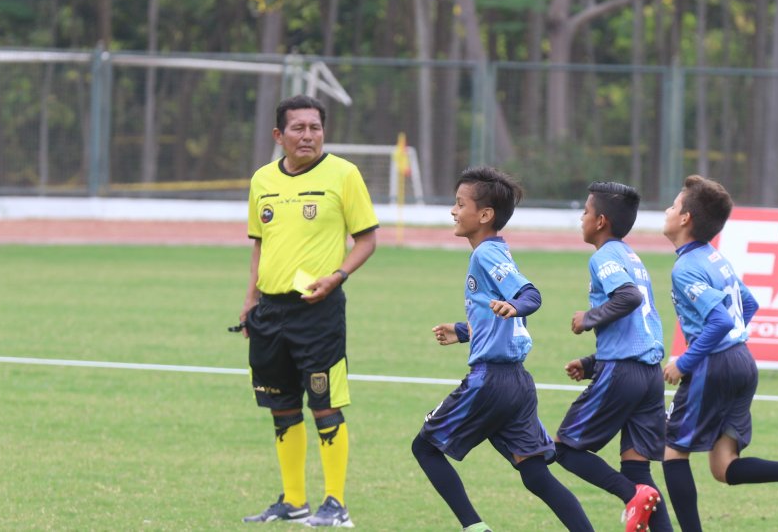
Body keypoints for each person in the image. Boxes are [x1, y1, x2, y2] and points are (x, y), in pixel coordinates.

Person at [412, 166, 594, 532]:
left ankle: (474, 528)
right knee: (535, 474)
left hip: (490, 381)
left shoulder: (486, 255)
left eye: (460, 204)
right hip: (517, 384)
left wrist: (517, 304)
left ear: (484, 215)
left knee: (425, 448)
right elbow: (500, 315)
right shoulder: (497, 251)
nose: (453, 211)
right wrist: (463, 330)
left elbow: (530, 295)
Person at [659, 175, 778, 532]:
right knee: (723, 466)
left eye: (674, 205)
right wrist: (729, 345)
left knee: (673, 451)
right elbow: (748, 303)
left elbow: (720, 320)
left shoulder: (686, 267)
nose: (667, 210)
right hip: (742, 361)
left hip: (715, 365)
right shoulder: (715, 258)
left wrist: (686, 361)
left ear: (685, 219)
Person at [239, 94, 379, 527]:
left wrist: (337, 276)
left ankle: (335, 504)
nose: (308, 136)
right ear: (279, 135)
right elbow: (260, 245)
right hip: (270, 311)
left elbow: (367, 239)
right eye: (298, 128)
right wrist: (250, 301)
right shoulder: (262, 180)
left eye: (315, 127)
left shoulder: (343, 174)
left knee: (324, 404)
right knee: (281, 406)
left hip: (317, 311)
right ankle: (294, 500)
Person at [556, 182, 673, 532]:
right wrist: (592, 363)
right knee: (638, 470)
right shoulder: (631, 257)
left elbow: (628, 299)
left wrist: (588, 318)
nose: (582, 218)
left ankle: (629, 495)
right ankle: (638, 493)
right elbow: (637, 326)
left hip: (623, 372)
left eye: (586, 212)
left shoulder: (604, 257)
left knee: (565, 449)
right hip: (649, 375)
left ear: (601, 221)